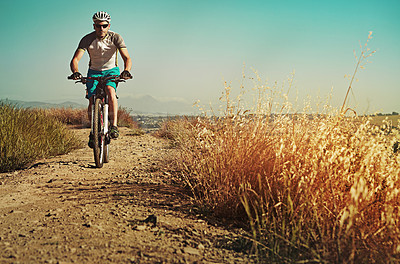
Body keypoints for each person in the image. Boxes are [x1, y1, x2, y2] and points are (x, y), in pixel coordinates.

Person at [69, 11, 132, 147]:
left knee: (110, 90)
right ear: (94, 26)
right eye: (98, 26)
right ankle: (93, 132)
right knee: (91, 99)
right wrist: (76, 72)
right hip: (94, 71)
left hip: (111, 71)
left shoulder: (116, 37)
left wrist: (126, 70)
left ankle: (114, 126)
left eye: (104, 25)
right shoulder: (87, 39)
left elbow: (127, 58)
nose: (101, 29)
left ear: (109, 26)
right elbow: (75, 59)